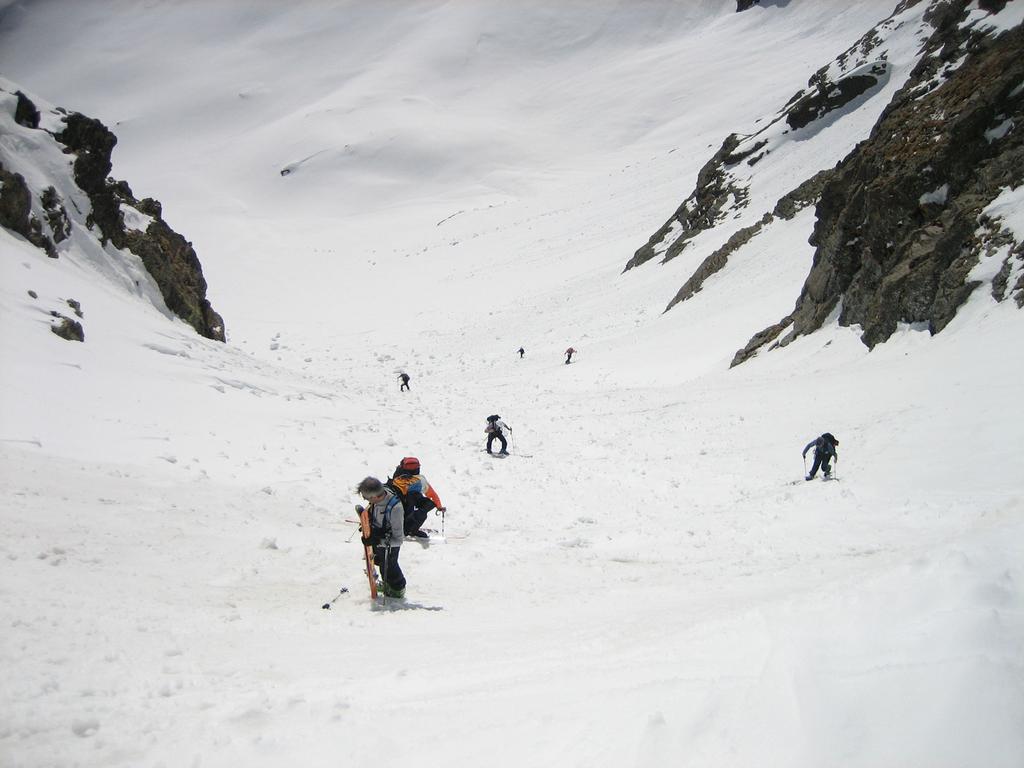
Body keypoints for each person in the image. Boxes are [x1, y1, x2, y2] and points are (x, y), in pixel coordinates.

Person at [356, 476, 406, 597]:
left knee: (389, 566)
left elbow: (398, 540)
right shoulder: (378, 496)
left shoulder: (396, 509)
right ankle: (387, 583)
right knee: (380, 563)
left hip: (390, 543)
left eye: (366, 498)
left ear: (375, 496)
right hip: (379, 536)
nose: (365, 500)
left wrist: (377, 541)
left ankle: (397, 589)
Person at [388, 456, 445, 538]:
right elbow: (432, 495)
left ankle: (402, 527)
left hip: (395, 510)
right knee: (425, 504)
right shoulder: (420, 480)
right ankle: (411, 529)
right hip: (409, 507)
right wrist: (439, 506)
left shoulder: (396, 479)